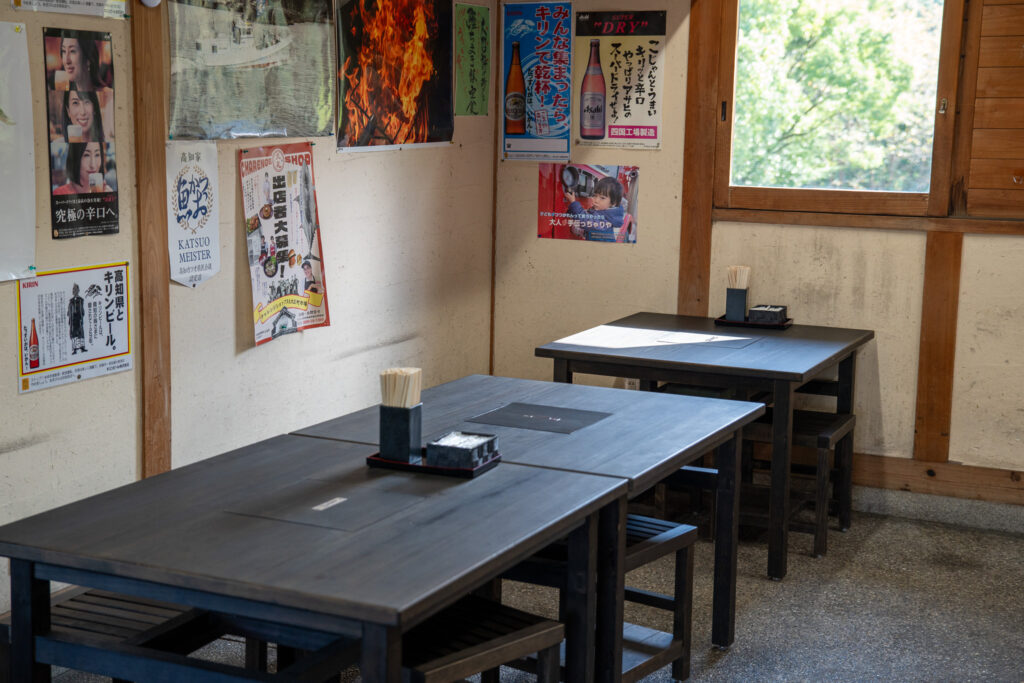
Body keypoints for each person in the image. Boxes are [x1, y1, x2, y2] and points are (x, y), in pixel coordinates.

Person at [563, 175, 627, 242]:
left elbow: (585, 221)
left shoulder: (605, 220)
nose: (596, 200)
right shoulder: (605, 214)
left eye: (602, 198)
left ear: (613, 202)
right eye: (595, 195)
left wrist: (573, 203)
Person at [67, 283, 86, 354]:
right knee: (74, 334)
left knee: (80, 333)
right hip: (73, 320)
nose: (74, 291)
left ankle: (82, 347)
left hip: (79, 319)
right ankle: (74, 349)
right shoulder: (71, 301)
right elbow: (69, 311)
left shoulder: (81, 300)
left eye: (76, 289)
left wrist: (81, 316)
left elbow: (82, 310)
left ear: (78, 290)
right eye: (73, 289)